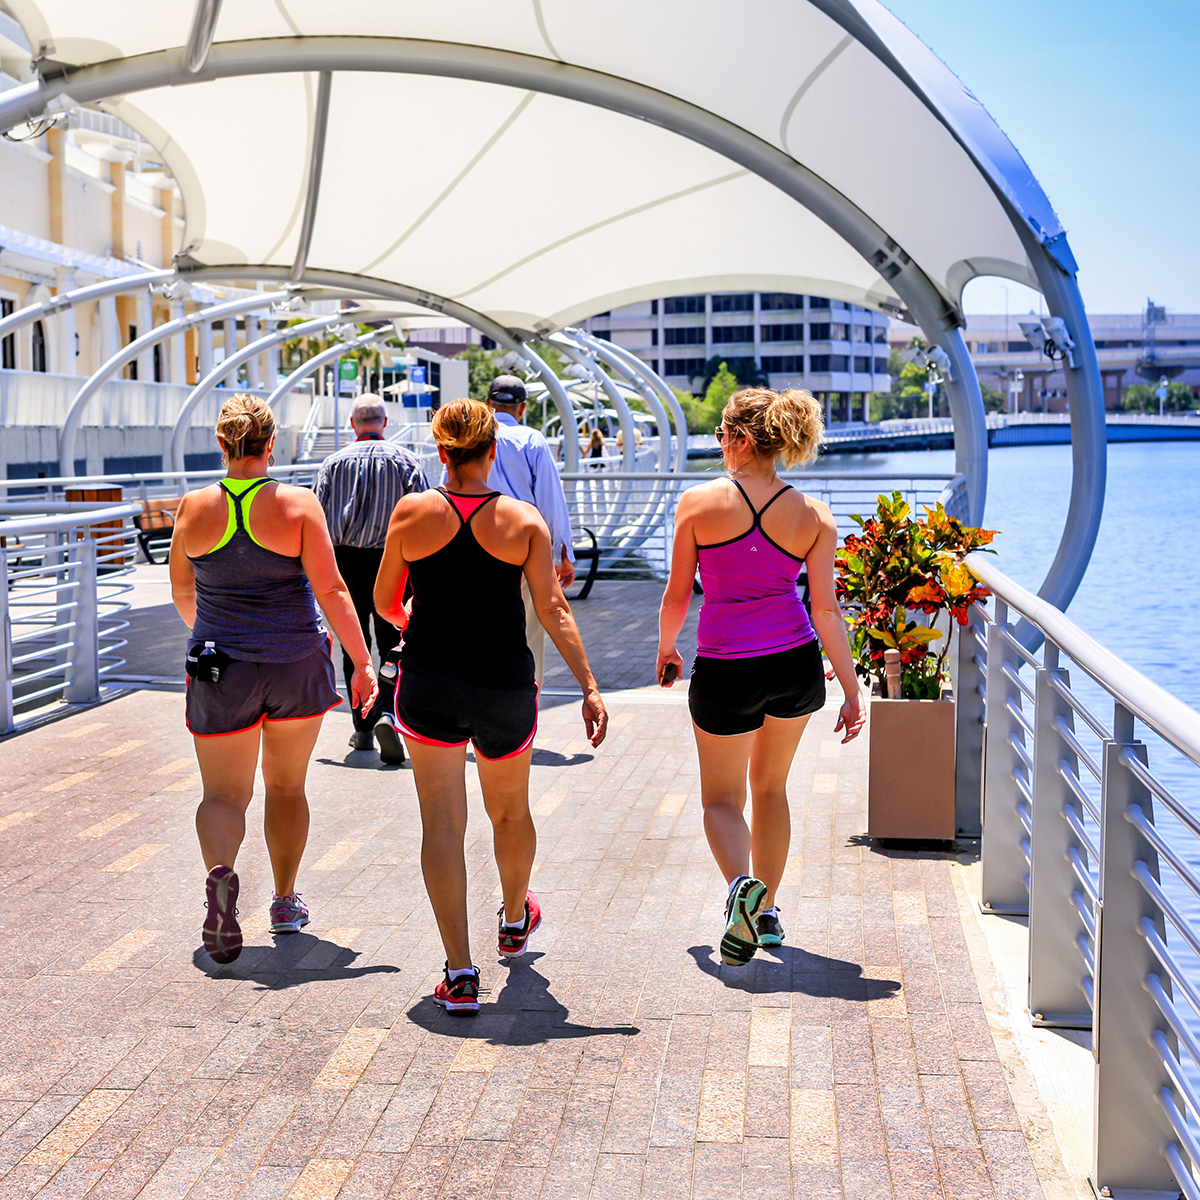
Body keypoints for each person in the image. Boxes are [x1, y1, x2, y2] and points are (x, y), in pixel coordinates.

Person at [374, 398, 608, 1014]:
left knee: (442, 826)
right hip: (505, 684)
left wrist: (419, 630)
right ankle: (512, 917)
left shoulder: (410, 514)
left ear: (441, 452)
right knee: (510, 813)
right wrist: (587, 685)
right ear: (493, 451)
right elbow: (554, 609)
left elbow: (384, 602)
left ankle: (458, 972)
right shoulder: (524, 521)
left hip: (429, 685)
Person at [656, 387, 865, 967]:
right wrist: (851, 689)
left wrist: (667, 647)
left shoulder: (697, 504)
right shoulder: (814, 514)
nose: (718, 445)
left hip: (726, 667)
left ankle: (739, 890)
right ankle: (767, 913)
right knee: (770, 789)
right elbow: (826, 610)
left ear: (742, 439)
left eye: (721, 435)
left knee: (722, 799)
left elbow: (677, 594)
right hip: (795, 666)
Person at [170, 394, 378, 965]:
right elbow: (333, 591)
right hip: (294, 664)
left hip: (220, 670)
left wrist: (216, 632)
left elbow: (184, 592)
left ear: (221, 444)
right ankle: (284, 902)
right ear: (271, 444)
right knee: (286, 787)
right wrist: (362, 663)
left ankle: (222, 878)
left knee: (222, 794)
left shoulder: (191, 508)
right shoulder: (298, 505)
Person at [314, 393, 427, 763]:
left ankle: (363, 728)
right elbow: (427, 516)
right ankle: (392, 716)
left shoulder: (332, 464)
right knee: (394, 643)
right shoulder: (406, 461)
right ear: (384, 422)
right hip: (393, 562)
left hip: (345, 563)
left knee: (353, 645)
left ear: (352, 424)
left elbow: (318, 525)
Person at [484, 375, 575, 685]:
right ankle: (525, 703)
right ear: (521, 408)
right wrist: (563, 552)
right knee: (529, 632)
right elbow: (550, 498)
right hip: (523, 549)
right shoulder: (532, 440)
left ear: (487, 404)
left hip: (475, 546)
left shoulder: (473, 437)